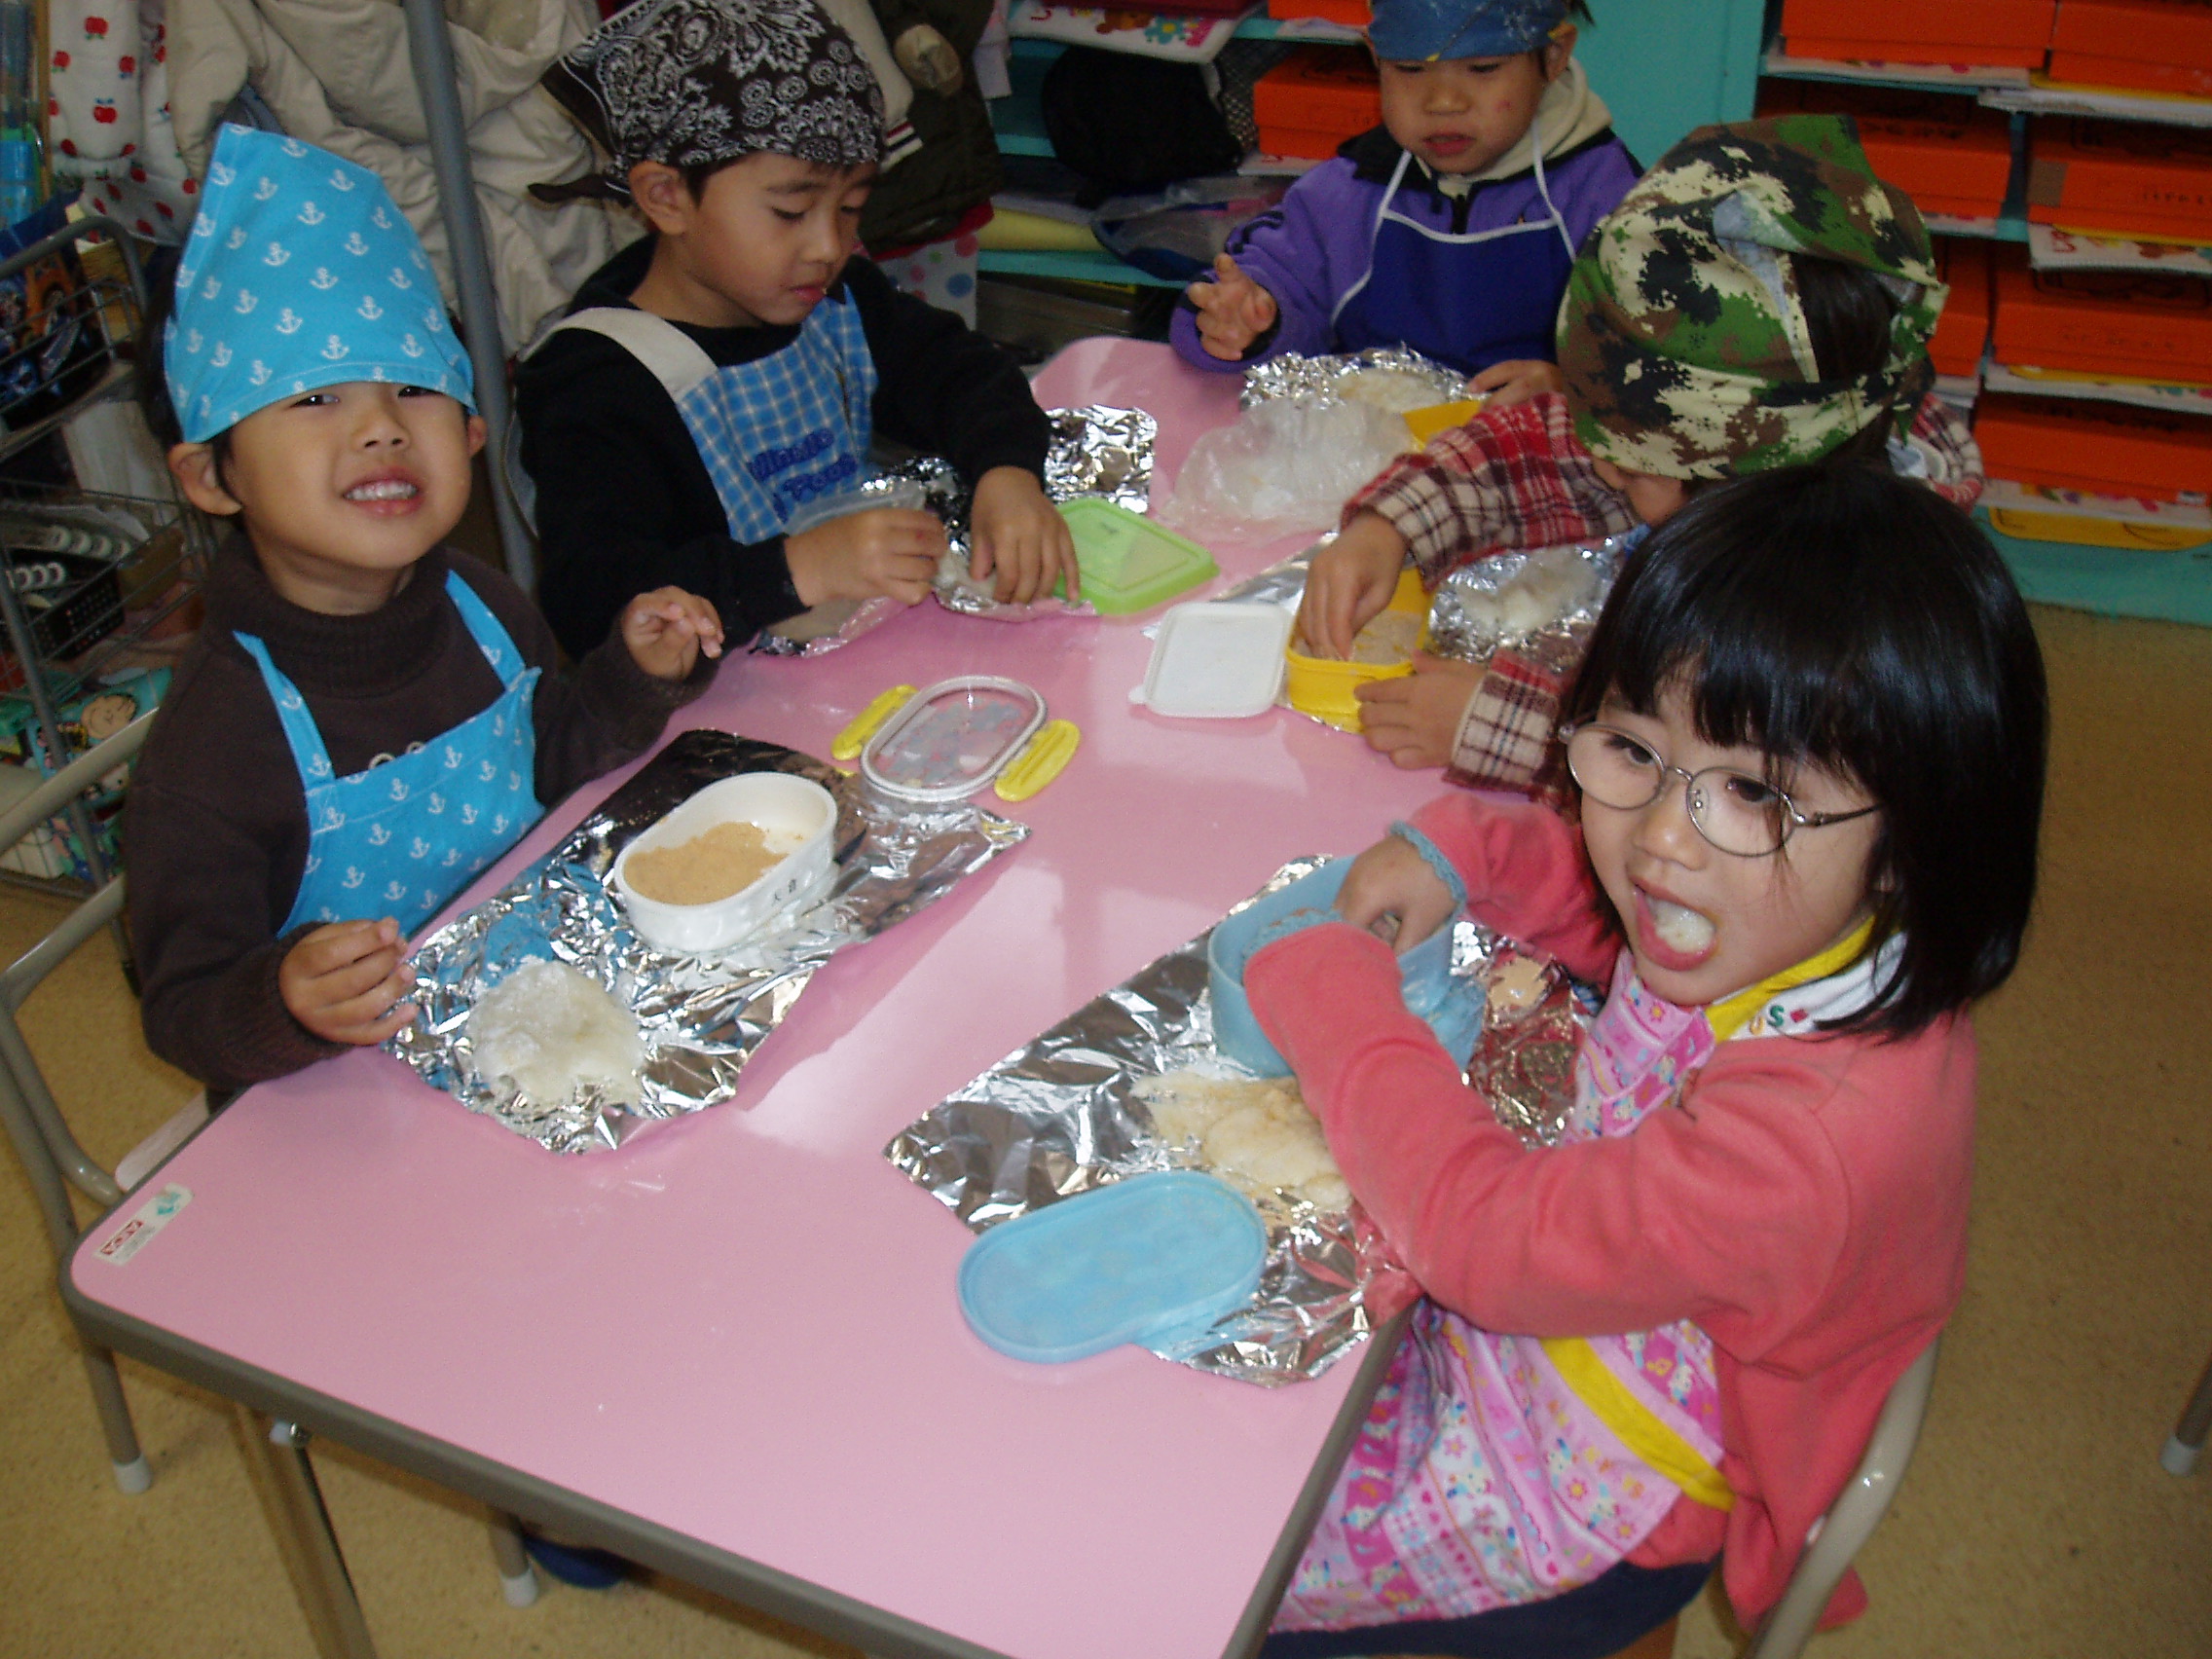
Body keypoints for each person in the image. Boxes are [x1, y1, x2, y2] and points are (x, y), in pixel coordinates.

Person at [1243, 461, 2047, 1657]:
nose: (1662, 839)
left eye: (1752, 791)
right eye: (1628, 747)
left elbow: (1485, 1244)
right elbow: (1620, 911)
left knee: (1224, 1575)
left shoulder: (1811, 1138)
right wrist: (1466, 851)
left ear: (1914, 840)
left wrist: (1336, 1008)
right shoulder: (1803, 922)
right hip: (1580, 1325)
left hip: (1600, 1493)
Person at [127, 127, 723, 1097]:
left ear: (473, 431)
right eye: (312, 398)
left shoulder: (481, 604)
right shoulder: (215, 749)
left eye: (413, 387)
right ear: (211, 475)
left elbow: (552, 762)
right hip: (355, 1093)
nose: (379, 427)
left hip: (543, 1022)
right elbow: (183, 1008)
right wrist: (283, 1001)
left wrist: (633, 676)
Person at [1296, 114, 1984, 794]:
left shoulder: (1854, 623)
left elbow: (1718, 788)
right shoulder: (1765, 458)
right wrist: (1389, 527)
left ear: (1747, 485)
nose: (1600, 468)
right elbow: (1533, 453)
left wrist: (1501, 727)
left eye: (1627, 466)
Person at [516, 0, 1075, 661]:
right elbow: (592, 604)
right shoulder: (596, 385)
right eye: (790, 212)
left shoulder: (838, 300)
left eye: (851, 207)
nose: (829, 246)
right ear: (666, 197)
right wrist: (795, 570)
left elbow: (962, 371)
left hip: (853, 661)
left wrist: (1007, 474)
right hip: (717, 694)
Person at [1171, 0, 1638, 398]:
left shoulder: (1613, 202)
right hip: (1372, 453)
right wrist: (1246, 318)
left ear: (1553, 56)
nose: (1443, 102)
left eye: (1483, 68)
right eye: (1410, 69)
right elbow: (1267, 282)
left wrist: (1580, 393)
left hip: (1540, 459)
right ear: (1375, 57)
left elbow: (1659, 369)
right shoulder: (1348, 192)